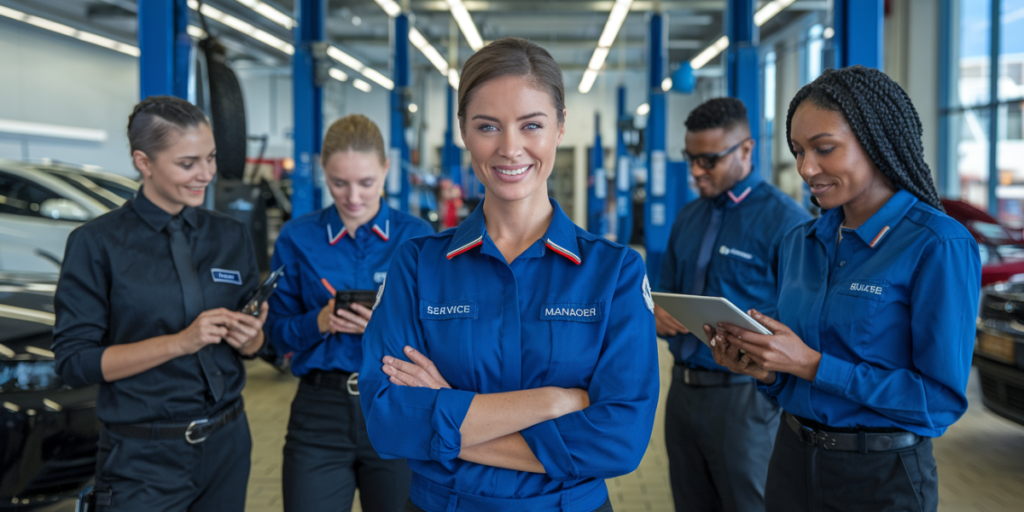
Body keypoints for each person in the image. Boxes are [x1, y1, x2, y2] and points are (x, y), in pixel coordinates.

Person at [358, 37, 659, 512]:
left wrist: (444, 420)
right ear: (463, 130)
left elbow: (620, 440)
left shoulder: (615, 272)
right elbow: (386, 421)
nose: (510, 148)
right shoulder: (417, 265)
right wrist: (555, 401)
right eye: (487, 126)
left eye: (531, 125)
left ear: (560, 127)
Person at [708, 65, 981, 512]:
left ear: (877, 143)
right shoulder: (801, 241)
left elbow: (939, 402)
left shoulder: (936, 245)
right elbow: (795, 365)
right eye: (797, 151)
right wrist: (768, 369)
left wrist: (815, 366)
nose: (805, 168)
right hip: (791, 459)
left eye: (824, 149)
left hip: (880, 477)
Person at [52, 95, 267, 511]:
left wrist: (252, 340)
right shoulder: (96, 244)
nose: (205, 174)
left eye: (211, 157)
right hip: (143, 458)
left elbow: (259, 345)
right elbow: (74, 364)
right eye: (187, 163)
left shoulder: (230, 236)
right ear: (143, 162)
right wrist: (181, 342)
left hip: (227, 445)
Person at [265, 114, 432, 512]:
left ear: (386, 170)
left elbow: (442, 335)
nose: (353, 196)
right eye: (339, 183)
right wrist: (318, 322)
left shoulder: (419, 238)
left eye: (366, 183)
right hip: (319, 413)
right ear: (323, 171)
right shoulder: (297, 238)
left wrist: (383, 326)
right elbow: (272, 335)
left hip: (397, 403)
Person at [654, 97, 811, 512]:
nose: (695, 171)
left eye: (708, 160)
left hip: (745, 399)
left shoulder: (787, 224)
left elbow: (804, 322)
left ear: (746, 149)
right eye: (690, 159)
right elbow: (662, 291)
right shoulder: (688, 216)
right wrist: (655, 313)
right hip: (682, 395)